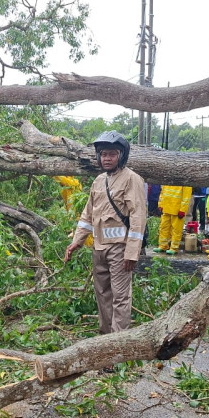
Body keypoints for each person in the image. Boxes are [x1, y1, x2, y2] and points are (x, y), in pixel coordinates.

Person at [64, 132, 146, 334]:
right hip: (98, 247)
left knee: (120, 297)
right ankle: (104, 338)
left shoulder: (131, 180)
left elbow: (138, 217)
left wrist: (132, 253)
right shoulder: (99, 181)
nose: (107, 158)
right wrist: (77, 241)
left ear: (121, 155)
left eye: (112, 154)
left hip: (120, 248)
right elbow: (88, 214)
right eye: (103, 154)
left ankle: (117, 346)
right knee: (102, 294)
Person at [153, 185, 192, 255]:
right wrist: (160, 205)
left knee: (176, 230)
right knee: (163, 227)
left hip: (177, 210)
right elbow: (163, 192)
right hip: (166, 207)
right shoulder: (169, 179)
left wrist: (183, 210)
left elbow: (186, 196)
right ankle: (163, 245)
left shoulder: (184, 181)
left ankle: (174, 247)